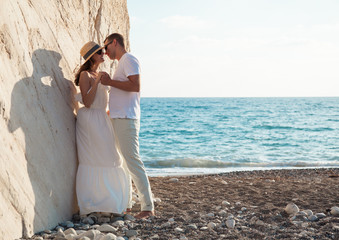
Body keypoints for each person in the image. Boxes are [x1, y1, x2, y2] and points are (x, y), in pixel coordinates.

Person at [100, 33, 155, 219]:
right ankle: (127, 203)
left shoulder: (129, 59)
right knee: (124, 163)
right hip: (120, 118)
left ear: (115, 42)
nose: (105, 52)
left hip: (126, 119)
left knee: (132, 161)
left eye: (106, 47)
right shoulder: (123, 62)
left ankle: (147, 207)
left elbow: (135, 86)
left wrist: (109, 82)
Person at [74, 41, 128, 216]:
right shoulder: (85, 75)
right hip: (90, 121)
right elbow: (87, 102)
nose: (103, 54)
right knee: (95, 160)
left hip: (102, 119)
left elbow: (101, 102)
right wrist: (97, 81)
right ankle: (92, 204)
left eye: (103, 51)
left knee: (112, 158)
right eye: (99, 52)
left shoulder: (97, 73)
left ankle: (110, 202)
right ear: (91, 56)